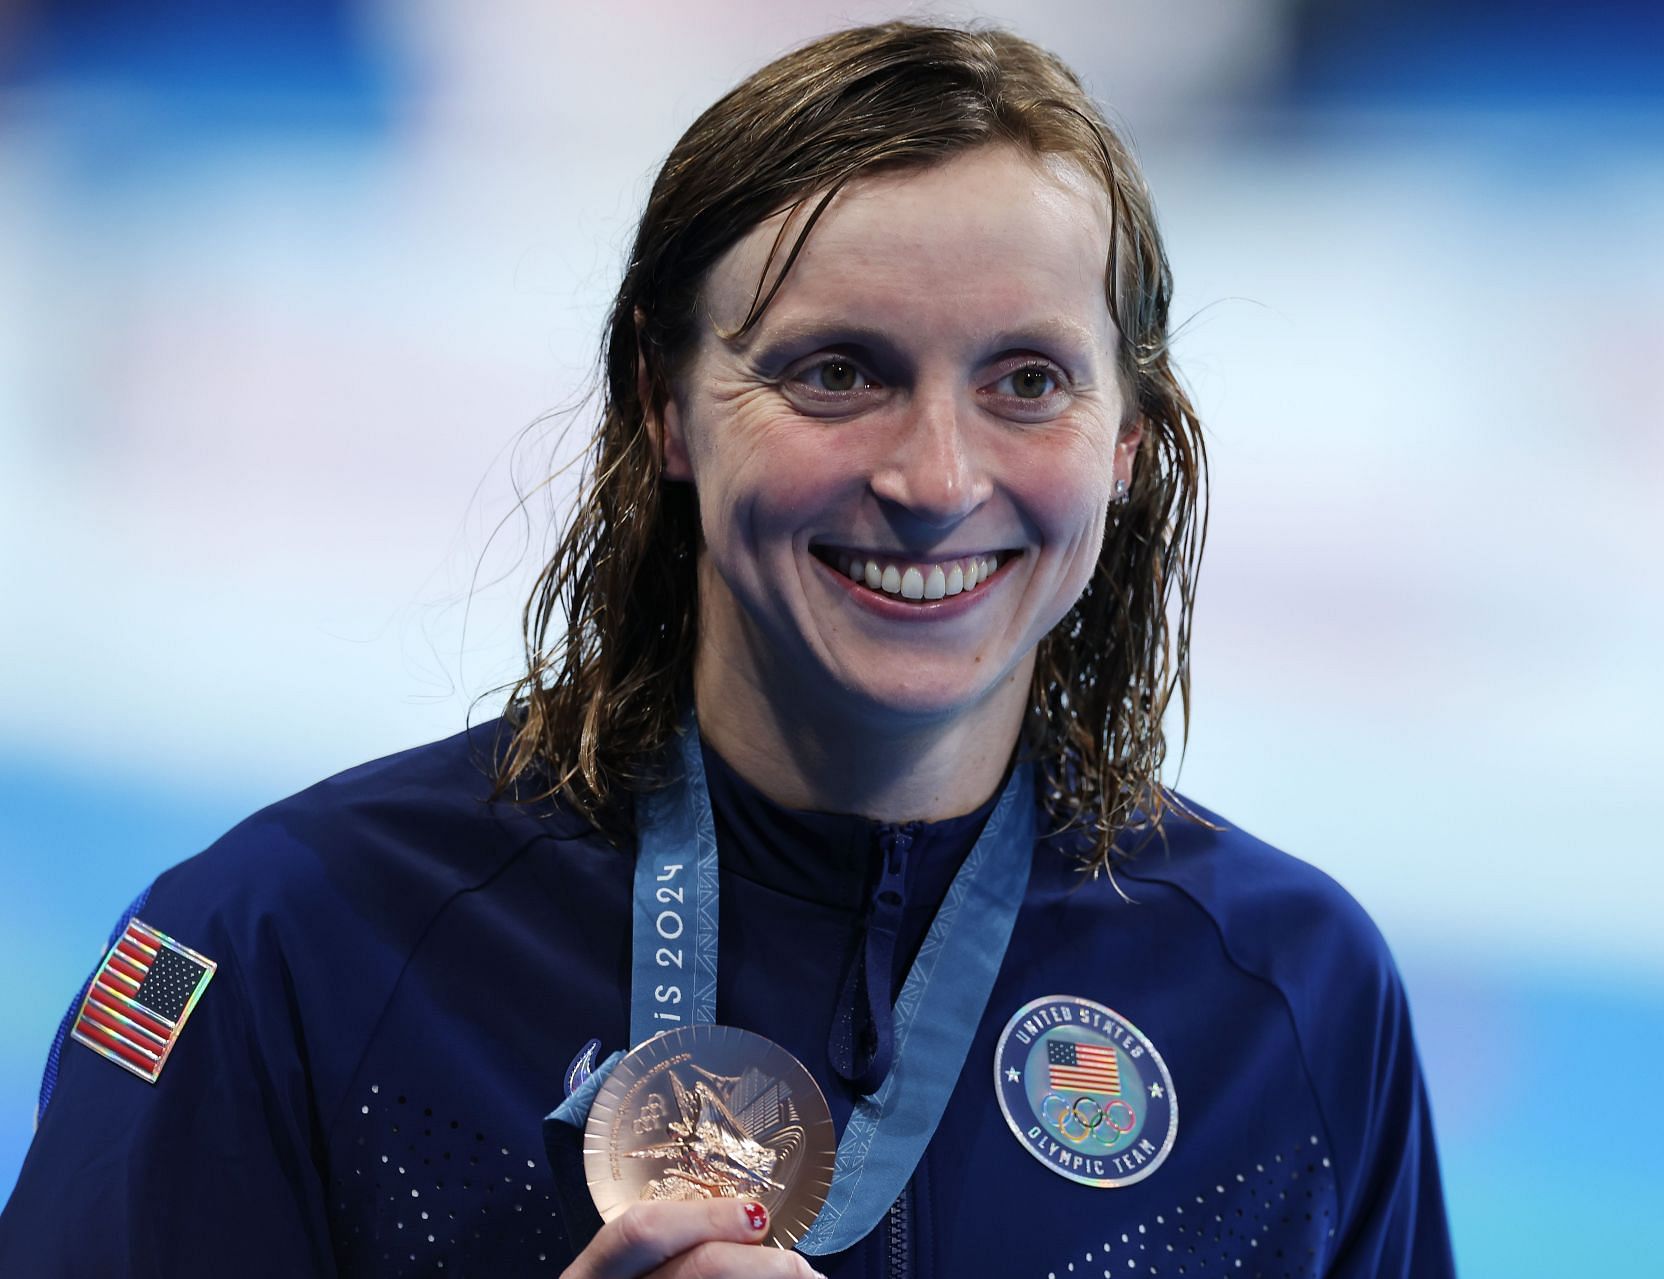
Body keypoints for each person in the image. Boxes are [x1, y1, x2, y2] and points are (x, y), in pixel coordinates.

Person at [0, 21, 1454, 1278]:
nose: (938, 477)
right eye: (838, 372)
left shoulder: (1292, 999)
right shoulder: (292, 944)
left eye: (1026, 381)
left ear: (1127, 440)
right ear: (663, 403)